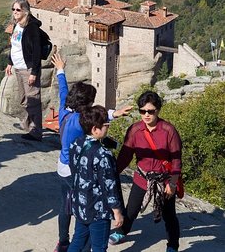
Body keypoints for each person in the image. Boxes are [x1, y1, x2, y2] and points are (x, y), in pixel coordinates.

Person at [51, 53, 132, 252]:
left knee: (66, 206)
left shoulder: (65, 109)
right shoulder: (81, 121)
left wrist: (60, 70)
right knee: (86, 204)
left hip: (62, 166)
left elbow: (63, 90)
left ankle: (63, 241)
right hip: (75, 169)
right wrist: (113, 114)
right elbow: (94, 120)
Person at [109, 91, 182, 252]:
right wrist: (113, 173)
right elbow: (125, 155)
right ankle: (122, 231)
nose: (146, 115)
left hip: (164, 180)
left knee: (169, 215)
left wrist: (173, 183)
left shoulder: (169, 131)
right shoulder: (135, 130)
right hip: (142, 178)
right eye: (143, 111)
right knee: (132, 209)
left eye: (151, 111)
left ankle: (172, 245)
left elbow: (176, 159)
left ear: (158, 110)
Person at [68, 106, 124, 252]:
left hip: (80, 203)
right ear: (95, 129)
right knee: (99, 247)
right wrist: (117, 211)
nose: (108, 127)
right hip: (99, 209)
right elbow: (109, 185)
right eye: (106, 125)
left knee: (78, 240)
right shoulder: (103, 155)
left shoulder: (76, 144)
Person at [5, 0, 43, 141]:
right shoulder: (17, 25)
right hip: (18, 68)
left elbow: (37, 51)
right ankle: (28, 125)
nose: (15, 12)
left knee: (33, 99)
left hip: (28, 69)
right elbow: (14, 46)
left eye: (18, 10)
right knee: (23, 99)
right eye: (13, 9)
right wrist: (10, 62)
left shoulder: (31, 27)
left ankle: (36, 131)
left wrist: (34, 72)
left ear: (25, 11)